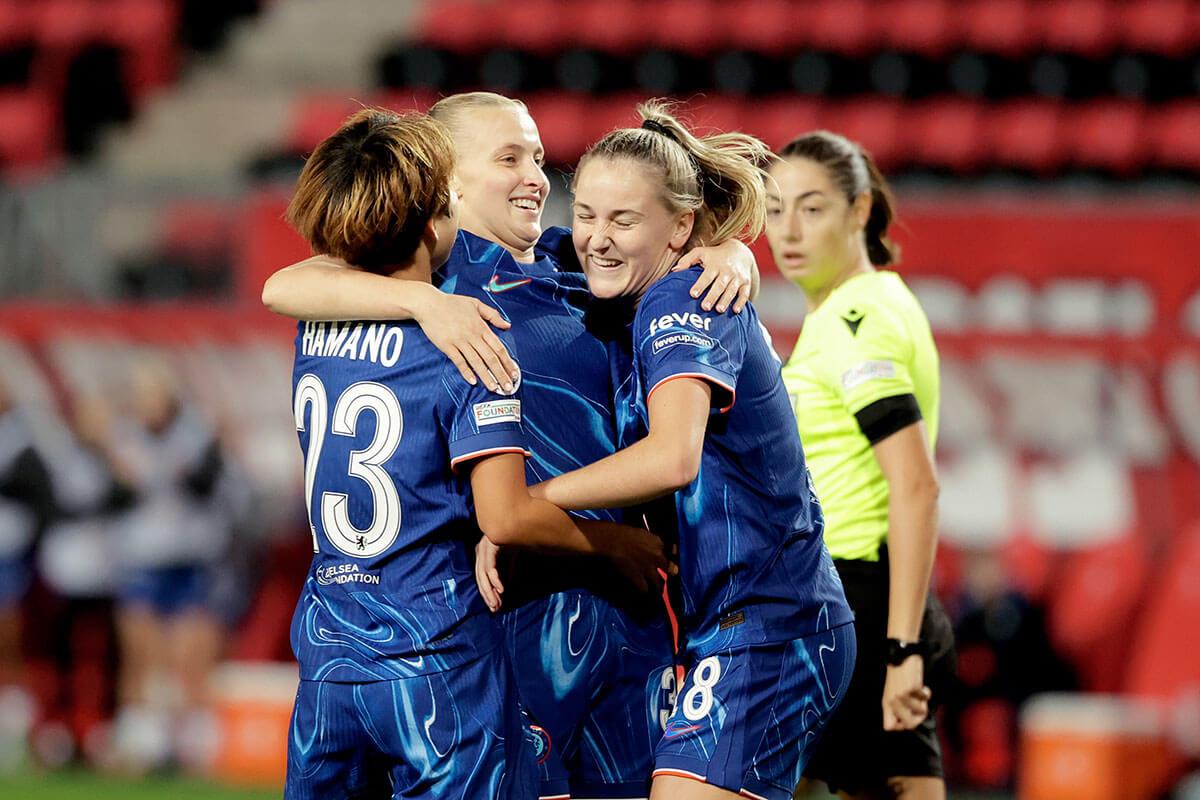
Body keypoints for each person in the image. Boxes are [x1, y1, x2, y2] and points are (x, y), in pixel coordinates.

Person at [263, 91, 761, 800]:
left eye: (535, 155)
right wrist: (424, 301)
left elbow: (669, 243)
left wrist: (731, 251)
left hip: (630, 608)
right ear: (446, 184)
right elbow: (287, 283)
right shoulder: (436, 277)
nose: (536, 175)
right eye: (508, 158)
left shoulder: (575, 264)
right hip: (518, 611)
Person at [528, 102, 855, 800]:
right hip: (731, 624)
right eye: (585, 213)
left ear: (680, 228)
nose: (596, 238)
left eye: (622, 221)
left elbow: (673, 456)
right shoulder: (628, 280)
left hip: (773, 622)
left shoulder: (681, 297)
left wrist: (525, 510)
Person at [763, 131, 956, 800]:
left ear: (861, 210)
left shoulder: (856, 317)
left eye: (812, 208)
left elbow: (916, 483)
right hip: (852, 600)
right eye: (775, 206)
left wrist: (901, 650)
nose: (788, 229)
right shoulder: (859, 309)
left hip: (858, 605)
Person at [104, 357, 231, 772]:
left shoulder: (195, 437)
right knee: (142, 652)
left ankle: (194, 745)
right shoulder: (123, 438)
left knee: (189, 655)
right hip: (142, 556)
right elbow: (113, 495)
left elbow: (206, 487)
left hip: (190, 556)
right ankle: (140, 741)